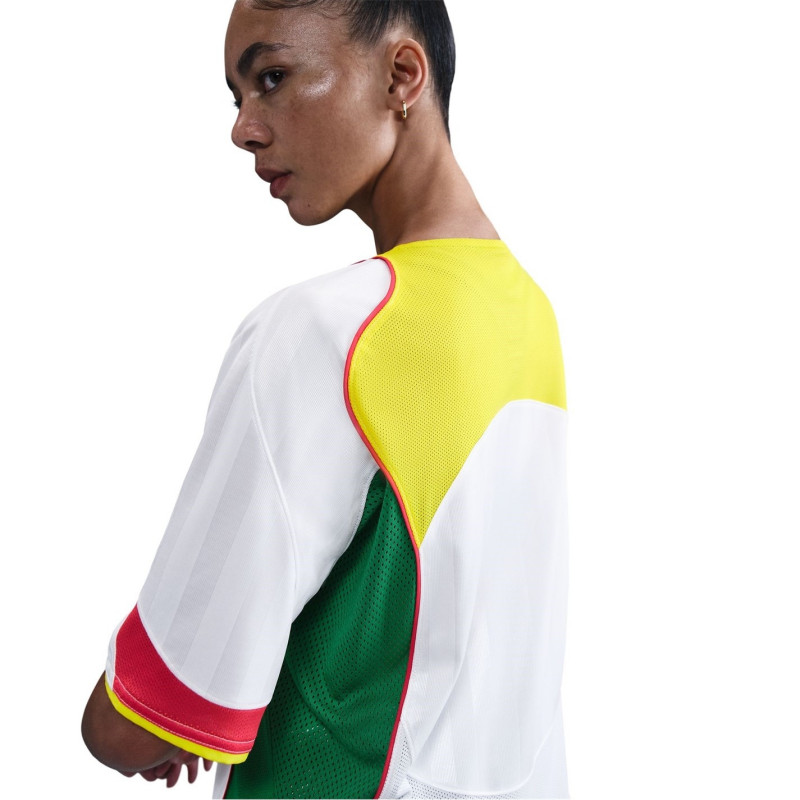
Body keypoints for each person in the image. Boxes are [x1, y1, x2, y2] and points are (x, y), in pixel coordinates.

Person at [82, 1, 570, 797]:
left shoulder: (326, 333)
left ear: (402, 76)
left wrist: (146, 712)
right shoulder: (528, 316)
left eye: (273, 78)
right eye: (238, 96)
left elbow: (133, 723)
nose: (243, 129)